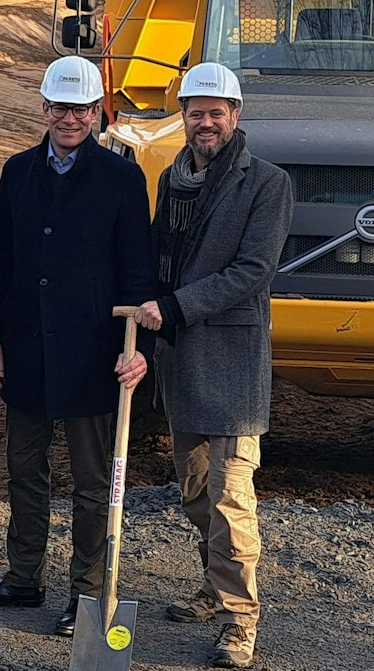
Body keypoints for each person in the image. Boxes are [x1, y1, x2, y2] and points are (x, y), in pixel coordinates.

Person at [0, 55, 155, 637]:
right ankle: (23, 578)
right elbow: (3, 260)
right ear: (43, 108)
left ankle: (87, 591)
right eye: (60, 107)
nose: (70, 118)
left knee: (93, 484)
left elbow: (136, 269)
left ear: (98, 113)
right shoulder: (18, 171)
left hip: (95, 353)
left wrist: (137, 344)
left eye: (82, 109)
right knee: (25, 469)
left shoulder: (122, 178)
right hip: (25, 348)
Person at [131, 63, 290, 670]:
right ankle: (212, 583)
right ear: (184, 116)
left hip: (228, 359)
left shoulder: (266, 183)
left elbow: (252, 272)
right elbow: (162, 258)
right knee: (196, 492)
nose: (205, 122)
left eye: (215, 112)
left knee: (230, 497)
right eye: (195, 112)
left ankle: (238, 620)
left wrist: (172, 308)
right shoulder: (173, 179)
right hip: (181, 360)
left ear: (235, 116)